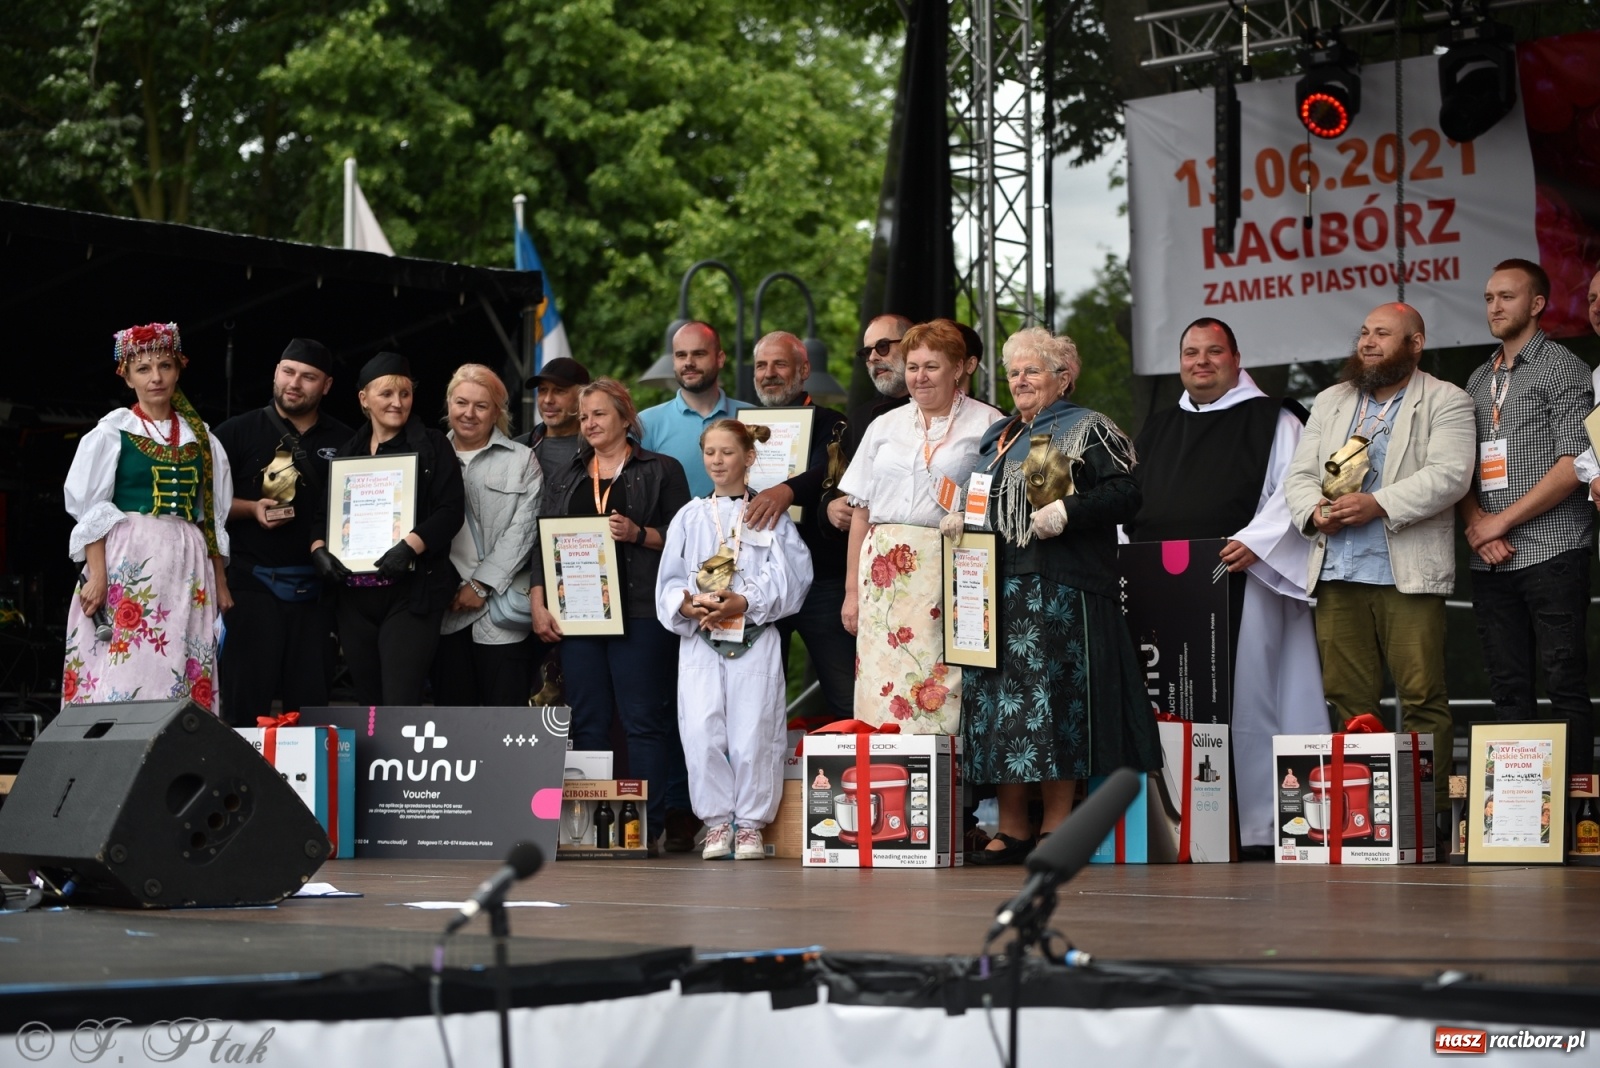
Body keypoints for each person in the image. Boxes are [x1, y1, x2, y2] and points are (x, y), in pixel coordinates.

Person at [1124, 318, 1325, 854]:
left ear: (1237, 358)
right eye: (1191, 352)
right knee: (1171, 701)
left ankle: (1258, 828)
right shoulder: (1157, 427)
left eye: (1214, 351)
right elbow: (1130, 502)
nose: (1201, 361)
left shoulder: (1274, 420)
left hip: (1243, 578)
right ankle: (1183, 829)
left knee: (1251, 700)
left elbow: (1297, 488)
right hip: (1164, 592)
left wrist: (1258, 542)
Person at [961, 327, 1162, 864]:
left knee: (1054, 711)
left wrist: (1070, 511)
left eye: (1032, 370)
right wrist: (961, 518)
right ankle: (1011, 827)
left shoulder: (1084, 427)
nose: (1019, 380)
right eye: (1013, 372)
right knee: (1002, 714)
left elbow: (1126, 494)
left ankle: (1056, 825)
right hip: (992, 593)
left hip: (1058, 592)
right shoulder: (998, 437)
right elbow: (988, 502)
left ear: (1063, 377)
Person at [1284, 303, 1475, 827]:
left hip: (1405, 573)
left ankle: (1429, 819)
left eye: (1383, 334)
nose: (1368, 342)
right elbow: (1299, 476)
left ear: (1415, 344)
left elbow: (1451, 475)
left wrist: (1378, 503)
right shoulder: (1331, 399)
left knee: (1421, 696)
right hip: (1338, 573)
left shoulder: (1446, 399)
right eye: (1364, 332)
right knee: (1348, 699)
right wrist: (1313, 512)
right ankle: (1363, 818)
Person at [529, 379, 697, 852]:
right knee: (587, 720)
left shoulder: (662, 469)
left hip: (641, 611)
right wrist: (539, 601)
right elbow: (545, 543)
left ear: (626, 416)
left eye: (600, 414)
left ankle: (645, 828)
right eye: (584, 417)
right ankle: (590, 831)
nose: (590, 424)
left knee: (644, 719)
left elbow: (686, 539)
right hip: (580, 614)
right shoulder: (566, 472)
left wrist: (639, 533)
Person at [1460, 259, 1595, 774]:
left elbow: (1576, 463)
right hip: (1491, 558)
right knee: (1507, 689)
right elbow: (1459, 469)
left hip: (1553, 550)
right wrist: (1479, 526)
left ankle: (1581, 818)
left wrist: (1503, 521)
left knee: (1564, 684)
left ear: (1537, 304)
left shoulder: (1563, 366)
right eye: (1489, 297)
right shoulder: (1477, 378)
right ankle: (1515, 824)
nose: (1494, 307)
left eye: (1507, 297)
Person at [656, 420, 813, 860]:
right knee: (702, 729)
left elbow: (793, 577)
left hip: (753, 635)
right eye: (711, 453)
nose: (718, 461)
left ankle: (749, 823)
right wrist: (687, 605)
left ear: (748, 457)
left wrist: (745, 601)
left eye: (728, 453)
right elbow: (669, 581)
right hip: (702, 638)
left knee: (753, 731)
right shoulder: (689, 516)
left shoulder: (767, 516)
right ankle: (716, 820)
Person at [838, 318, 1002, 733]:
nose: (920, 377)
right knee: (880, 686)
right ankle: (884, 787)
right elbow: (861, 510)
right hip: (882, 578)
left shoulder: (988, 424)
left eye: (932, 366)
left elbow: (999, 505)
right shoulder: (882, 426)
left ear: (960, 367)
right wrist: (851, 593)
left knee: (947, 686)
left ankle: (951, 792)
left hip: (949, 569)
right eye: (912, 367)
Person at [63, 322, 233, 712]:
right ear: (126, 376)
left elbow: (211, 519)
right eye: (143, 369)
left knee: (181, 662)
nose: (156, 377)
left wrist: (221, 581)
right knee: (127, 666)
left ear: (179, 368)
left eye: (165, 366)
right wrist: (98, 574)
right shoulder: (112, 431)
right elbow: (93, 510)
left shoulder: (202, 438)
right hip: (129, 558)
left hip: (187, 564)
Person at [308, 352, 464, 706]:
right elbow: (322, 516)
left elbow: (451, 511)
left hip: (410, 594)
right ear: (364, 399)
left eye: (405, 394)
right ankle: (372, 764)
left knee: (399, 699)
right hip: (355, 598)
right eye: (387, 394)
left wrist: (409, 546)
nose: (398, 402)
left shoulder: (434, 445)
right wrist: (319, 551)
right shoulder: (348, 452)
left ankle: (398, 762)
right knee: (368, 701)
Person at [212, 338, 350, 725]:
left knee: (311, 714)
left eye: (308, 377)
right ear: (275, 374)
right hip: (250, 589)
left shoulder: (348, 441)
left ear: (326, 386)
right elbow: (204, 506)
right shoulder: (233, 433)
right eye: (288, 372)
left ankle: (308, 788)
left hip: (317, 596)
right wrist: (250, 508)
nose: (295, 383)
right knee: (242, 712)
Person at [741, 331, 854, 725]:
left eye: (780, 364)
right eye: (761, 365)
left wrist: (786, 490)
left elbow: (831, 473)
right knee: (755, 698)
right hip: (758, 580)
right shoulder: (741, 430)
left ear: (804, 370)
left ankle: (860, 779)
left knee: (845, 693)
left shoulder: (833, 423)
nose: (769, 373)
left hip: (820, 581)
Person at [431, 364, 542, 706]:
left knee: (504, 725)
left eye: (481, 406)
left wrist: (480, 585)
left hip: (501, 611)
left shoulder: (522, 461)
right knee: (453, 726)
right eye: (461, 403)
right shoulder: (427, 456)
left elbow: (524, 531)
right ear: (449, 404)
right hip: (444, 608)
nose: (469, 413)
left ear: (497, 411)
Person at [639, 321, 752, 498]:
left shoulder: (751, 417)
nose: (689, 362)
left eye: (699, 354)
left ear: (720, 358)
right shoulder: (646, 424)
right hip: (672, 526)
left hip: (743, 524)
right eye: (681, 355)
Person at [515, 356, 591, 475]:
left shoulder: (599, 448)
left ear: (582, 397)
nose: (548, 400)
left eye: (559, 391)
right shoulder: (518, 448)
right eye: (543, 390)